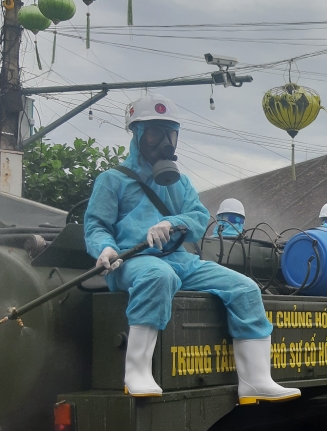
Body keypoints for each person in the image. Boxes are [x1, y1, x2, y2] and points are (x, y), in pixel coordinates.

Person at [84, 93, 301, 403]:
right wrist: (104, 249)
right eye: (155, 131)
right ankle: (137, 373)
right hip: (131, 263)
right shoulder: (113, 180)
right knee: (158, 276)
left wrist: (173, 223)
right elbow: (96, 225)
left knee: (245, 287)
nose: (164, 141)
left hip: (179, 259)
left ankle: (255, 381)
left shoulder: (180, 182)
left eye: (170, 132)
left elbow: (199, 217)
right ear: (138, 135)